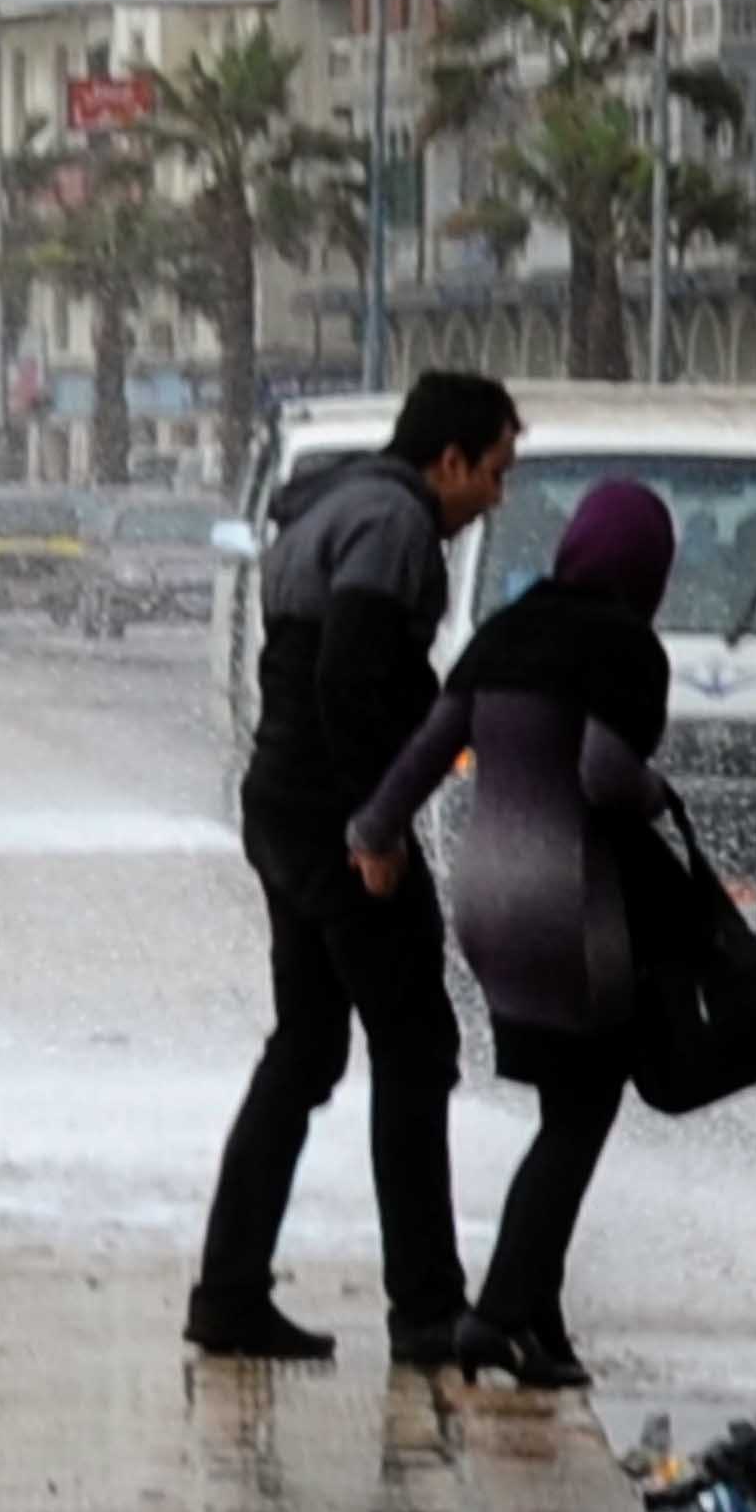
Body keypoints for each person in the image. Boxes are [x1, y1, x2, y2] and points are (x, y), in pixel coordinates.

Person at [188, 371, 520, 1365]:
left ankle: (230, 1291)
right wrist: (376, 831)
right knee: (416, 1046)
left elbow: (315, 669)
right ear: (449, 460)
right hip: (335, 818)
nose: (494, 497)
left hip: (283, 803)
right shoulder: (395, 523)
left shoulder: (334, 503)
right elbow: (350, 677)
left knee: (307, 1048)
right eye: (494, 473)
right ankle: (425, 1308)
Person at [344, 479, 679, 1389]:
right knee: (581, 1115)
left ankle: (537, 1321)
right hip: (568, 901)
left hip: (484, 900)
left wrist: (371, 833)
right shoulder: (627, 649)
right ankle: (496, 1316)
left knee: (561, 1102)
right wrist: (658, 794)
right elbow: (606, 776)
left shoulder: (507, 630)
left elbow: (424, 752)